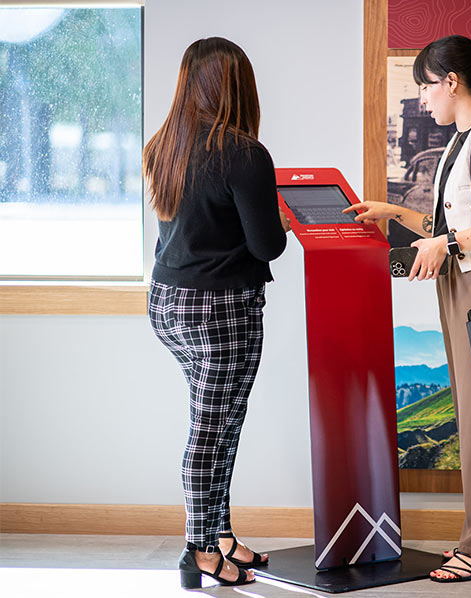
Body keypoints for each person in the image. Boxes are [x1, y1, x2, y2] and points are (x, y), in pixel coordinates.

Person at [344, 35, 471, 582]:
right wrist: (395, 211)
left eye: (426, 86)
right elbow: (454, 226)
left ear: (452, 82)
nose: (423, 99)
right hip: (464, 284)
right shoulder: (460, 140)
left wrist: (445, 245)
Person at [143, 37, 289, 588]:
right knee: (213, 429)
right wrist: (280, 216)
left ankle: (220, 535)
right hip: (222, 307)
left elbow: (190, 227)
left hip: (168, 304)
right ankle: (198, 549)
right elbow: (266, 246)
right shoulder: (244, 153)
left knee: (218, 420)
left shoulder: (163, 146)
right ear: (238, 86)